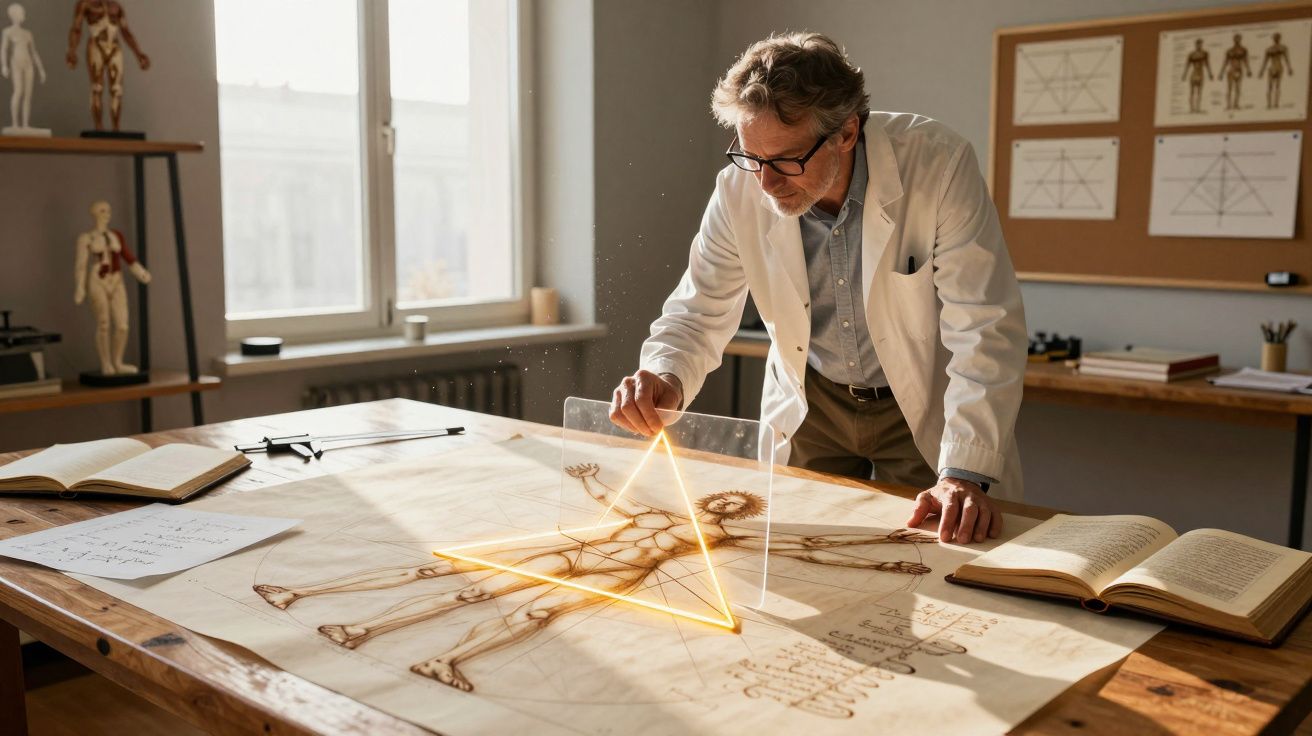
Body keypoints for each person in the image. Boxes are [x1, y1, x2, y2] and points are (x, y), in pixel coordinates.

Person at [609, 33, 1027, 545]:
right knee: (800, 554)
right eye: (750, 156)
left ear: (846, 132)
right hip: (813, 402)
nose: (765, 183)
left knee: (937, 554)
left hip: (917, 401)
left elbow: (983, 323)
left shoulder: (937, 164)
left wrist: (963, 473)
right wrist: (663, 374)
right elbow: (698, 309)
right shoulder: (739, 187)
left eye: (785, 160)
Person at [254, 462, 936, 692]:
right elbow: (615, 504)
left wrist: (879, 546)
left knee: (531, 618)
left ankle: (443, 660)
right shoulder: (668, 508)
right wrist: (586, 477)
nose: (727, 503)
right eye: (725, 500)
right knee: (463, 580)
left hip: (624, 575)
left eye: (735, 503)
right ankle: (324, 607)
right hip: (584, 554)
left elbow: (808, 547)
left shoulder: (726, 534)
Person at [74, 200, 150, 376]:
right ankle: (106, 363)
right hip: (97, 279)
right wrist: (80, 288)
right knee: (104, 323)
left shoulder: (116, 236)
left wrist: (141, 272)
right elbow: (81, 265)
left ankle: (118, 361)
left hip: (116, 279)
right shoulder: (86, 238)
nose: (106, 214)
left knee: (122, 325)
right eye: (102, 211)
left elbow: (127, 257)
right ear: (94, 213)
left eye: (108, 211)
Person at [65, 0, 149, 132]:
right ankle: (99, 127)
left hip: (114, 47)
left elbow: (126, 31)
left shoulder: (116, 6)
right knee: (96, 87)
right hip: (96, 44)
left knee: (117, 90)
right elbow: (76, 28)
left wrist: (139, 53)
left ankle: (116, 129)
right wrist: (72, 49)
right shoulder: (86, 4)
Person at [1, 3, 47, 132]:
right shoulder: (7, 32)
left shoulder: (27, 33)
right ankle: (15, 124)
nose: (23, 16)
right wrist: (4, 65)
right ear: (15, 15)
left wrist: (41, 69)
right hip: (16, 63)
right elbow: (3, 49)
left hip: (28, 64)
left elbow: (34, 52)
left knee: (28, 95)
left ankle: (25, 124)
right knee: (18, 91)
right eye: (21, 13)